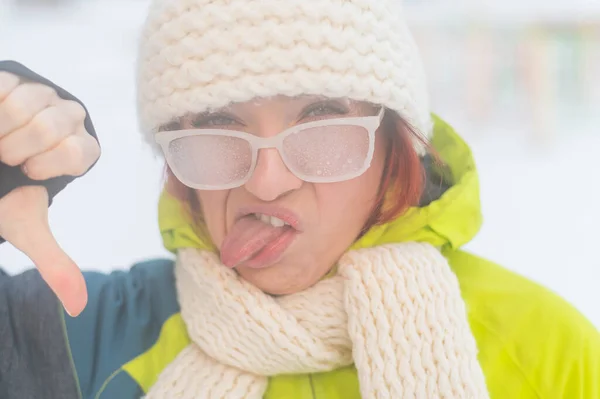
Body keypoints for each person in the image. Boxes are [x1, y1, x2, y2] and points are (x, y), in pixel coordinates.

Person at [0, 1, 598, 398]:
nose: (266, 182)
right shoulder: (87, 336)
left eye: (321, 123)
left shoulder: (546, 350)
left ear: (396, 148)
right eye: (216, 126)